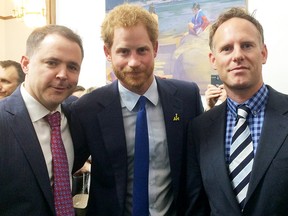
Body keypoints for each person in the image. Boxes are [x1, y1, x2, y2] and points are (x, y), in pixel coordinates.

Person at [71, 3, 203, 215]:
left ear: (156, 49)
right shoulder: (87, 109)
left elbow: (197, 171)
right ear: (108, 52)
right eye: (123, 51)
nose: (134, 62)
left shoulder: (187, 97)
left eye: (142, 50)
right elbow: (63, 170)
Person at [186, 7, 288, 215]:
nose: (237, 55)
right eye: (226, 49)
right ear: (213, 60)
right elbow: (197, 206)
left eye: (247, 45)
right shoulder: (199, 129)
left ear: (263, 53)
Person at [0, 24, 84, 215]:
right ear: (26, 64)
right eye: (52, 63)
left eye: (72, 67)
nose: (63, 75)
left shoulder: (76, 116)